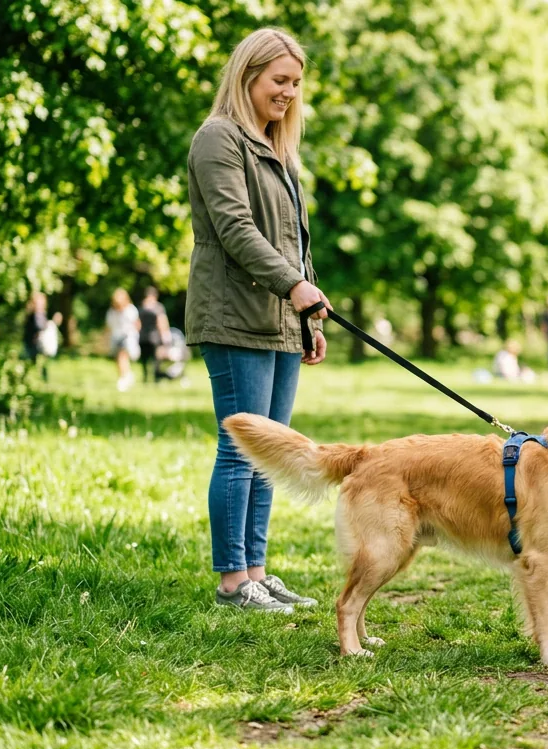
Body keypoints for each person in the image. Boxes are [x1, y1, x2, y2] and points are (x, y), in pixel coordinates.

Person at [187, 28, 332, 614]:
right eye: (280, 81)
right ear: (248, 76)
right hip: (232, 317)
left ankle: (257, 571)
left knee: (274, 451)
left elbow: (295, 241)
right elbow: (235, 229)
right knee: (239, 447)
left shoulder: (278, 149)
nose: (289, 94)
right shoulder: (218, 139)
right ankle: (231, 581)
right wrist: (294, 286)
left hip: (278, 318)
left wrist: (310, 315)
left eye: (296, 83)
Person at [105, 288, 141, 391]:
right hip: (116, 336)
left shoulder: (130, 310)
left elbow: (137, 324)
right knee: (118, 359)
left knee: (122, 356)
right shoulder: (111, 312)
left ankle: (123, 379)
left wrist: (134, 336)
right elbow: (109, 326)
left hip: (128, 337)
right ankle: (126, 375)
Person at [137, 287, 173, 384]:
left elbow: (137, 323)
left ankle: (145, 377)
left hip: (143, 336)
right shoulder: (158, 307)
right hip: (154, 337)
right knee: (155, 359)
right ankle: (155, 378)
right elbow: (161, 322)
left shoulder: (141, 307)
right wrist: (165, 334)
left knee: (145, 359)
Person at [22, 293, 54, 380]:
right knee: (33, 362)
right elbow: (38, 326)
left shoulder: (40, 313)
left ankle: (40, 380)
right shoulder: (35, 314)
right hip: (32, 342)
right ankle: (33, 380)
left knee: (39, 363)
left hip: (37, 343)